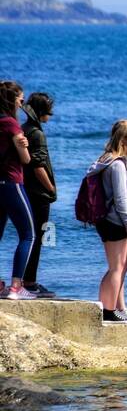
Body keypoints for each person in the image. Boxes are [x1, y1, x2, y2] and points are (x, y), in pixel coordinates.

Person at [88, 120, 127, 323]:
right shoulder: (117, 165)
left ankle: (112, 308)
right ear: (123, 141)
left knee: (117, 267)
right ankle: (109, 311)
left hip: (109, 220)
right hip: (116, 221)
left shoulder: (109, 160)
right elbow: (121, 199)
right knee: (116, 268)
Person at [0, 81, 37, 300]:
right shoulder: (13, 125)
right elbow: (26, 159)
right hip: (12, 182)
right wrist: (24, 148)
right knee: (28, 234)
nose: (23, 103)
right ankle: (16, 286)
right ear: (13, 100)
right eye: (21, 100)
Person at [20, 91, 58, 297]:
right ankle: (30, 281)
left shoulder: (24, 128)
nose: (50, 116)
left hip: (26, 189)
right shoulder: (37, 133)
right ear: (42, 112)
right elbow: (38, 165)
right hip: (39, 193)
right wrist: (50, 188)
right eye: (49, 112)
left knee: (30, 235)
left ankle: (26, 279)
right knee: (37, 237)